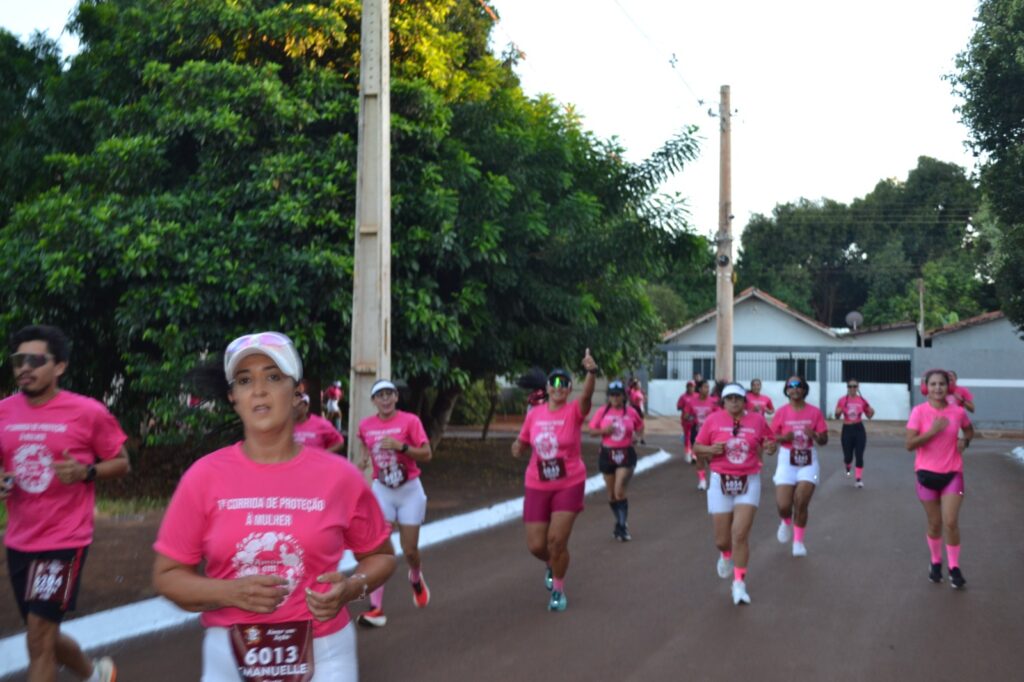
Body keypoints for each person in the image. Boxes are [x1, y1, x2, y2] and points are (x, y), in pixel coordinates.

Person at [153, 332, 395, 680]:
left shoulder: (340, 477)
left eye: (273, 377)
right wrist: (229, 592)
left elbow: (381, 556)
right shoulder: (203, 477)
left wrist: (352, 587)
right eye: (245, 380)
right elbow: (167, 576)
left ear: (297, 392)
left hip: (325, 651)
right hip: (229, 654)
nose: (259, 390)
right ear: (233, 397)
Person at [0, 324, 129, 682]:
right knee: (43, 633)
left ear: (59, 366)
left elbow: (121, 462)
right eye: (19, 360)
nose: (25, 368)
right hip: (20, 539)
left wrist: (86, 472)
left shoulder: (88, 412)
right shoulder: (3, 412)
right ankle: (95, 674)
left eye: (35, 360)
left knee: (38, 638)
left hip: (64, 541)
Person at [511, 349, 598, 612]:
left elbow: (587, 396)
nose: (559, 387)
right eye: (554, 382)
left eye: (564, 383)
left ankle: (558, 590)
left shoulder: (574, 411)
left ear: (569, 389)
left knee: (557, 541)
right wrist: (517, 447)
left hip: (569, 482)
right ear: (547, 387)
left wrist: (591, 372)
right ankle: (551, 563)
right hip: (537, 483)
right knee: (537, 545)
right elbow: (523, 441)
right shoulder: (534, 414)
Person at [356, 379, 433, 627]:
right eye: (380, 396)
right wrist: (362, 461)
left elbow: (427, 453)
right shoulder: (366, 426)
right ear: (373, 401)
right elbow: (364, 447)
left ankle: (416, 577)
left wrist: (402, 447)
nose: (385, 399)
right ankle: (376, 608)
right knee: (379, 549)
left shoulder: (410, 421)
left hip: (409, 490)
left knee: (409, 550)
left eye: (389, 394)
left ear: (396, 397)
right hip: (382, 491)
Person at [693, 383, 775, 605]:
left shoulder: (757, 420)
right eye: (729, 398)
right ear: (723, 401)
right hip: (720, 480)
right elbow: (697, 447)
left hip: (749, 479)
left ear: (744, 400)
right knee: (722, 541)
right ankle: (725, 554)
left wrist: (770, 447)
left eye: (738, 398)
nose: (734, 402)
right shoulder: (713, 420)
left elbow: (769, 441)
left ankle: (739, 584)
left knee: (739, 534)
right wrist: (710, 450)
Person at [906, 369, 974, 589]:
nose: (937, 388)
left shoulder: (958, 412)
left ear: (949, 387)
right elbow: (909, 444)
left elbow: (969, 430)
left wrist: (965, 441)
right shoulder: (918, 412)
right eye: (933, 384)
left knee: (951, 522)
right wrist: (933, 431)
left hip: (953, 474)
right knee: (935, 524)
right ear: (926, 388)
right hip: (926, 476)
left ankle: (954, 567)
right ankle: (936, 562)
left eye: (942, 384)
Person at [770, 376, 828, 557]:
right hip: (786, 460)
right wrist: (783, 438)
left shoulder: (815, 412)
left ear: (804, 389)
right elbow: (770, 437)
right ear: (787, 390)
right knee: (783, 505)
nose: (794, 388)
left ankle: (798, 542)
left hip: (808, 460)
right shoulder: (781, 412)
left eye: (798, 385)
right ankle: (786, 521)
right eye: (791, 385)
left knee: (801, 501)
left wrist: (815, 435)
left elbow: (824, 440)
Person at [587, 380, 644, 541]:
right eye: (612, 395)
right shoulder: (602, 412)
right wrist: (604, 430)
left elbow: (640, 426)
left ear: (623, 396)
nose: (615, 398)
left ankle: (622, 526)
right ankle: (619, 522)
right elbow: (591, 431)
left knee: (619, 491)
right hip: (607, 454)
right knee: (612, 495)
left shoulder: (631, 412)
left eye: (618, 395)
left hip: (625, 454)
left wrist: (637, 437)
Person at [834, 379, 875, 487]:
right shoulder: (842, 400)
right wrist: (838, 412)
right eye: (850, 386)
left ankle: (858, 479)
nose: (852, 388)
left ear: (857, 387)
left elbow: (869, 416)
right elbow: (837, 416)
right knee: (848, 456)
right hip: (847, 429)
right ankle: (848, 467)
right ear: (847, 387)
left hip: (859, 428)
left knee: (859, 454)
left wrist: (872, 412)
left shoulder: (862, 400)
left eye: (854, 386)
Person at [683, 380, 720, 491]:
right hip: (697, 432)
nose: (707, 389)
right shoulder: (691, 402)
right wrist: (692, 418)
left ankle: (715, 480)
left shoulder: (713, 401)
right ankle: (702, 480)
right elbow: (686, 415)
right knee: (700, 457)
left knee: (711, 458)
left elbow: (720, 415)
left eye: (708, 387)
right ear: (699, 389)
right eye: (705, 387)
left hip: (711, 434)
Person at [676, 380, 697, 462]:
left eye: (692, 386)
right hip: (686, 420)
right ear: (686, 387)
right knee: (688, 436)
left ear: (694, 387)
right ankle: (688, 453)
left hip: (695, 420)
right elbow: (678, 407)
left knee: (695, 437)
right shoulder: (683, 397)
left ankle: (694, 453)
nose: (690, 388)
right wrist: (685, 408)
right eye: (689, 386)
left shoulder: (697, 396)